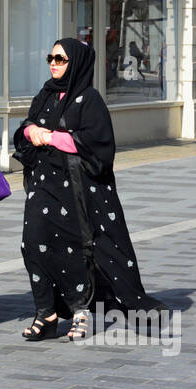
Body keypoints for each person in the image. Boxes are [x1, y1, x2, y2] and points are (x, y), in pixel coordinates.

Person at [13, 38, 167, 342]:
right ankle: (46, 313)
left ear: (77, 63)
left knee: (74, 248)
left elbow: (98, 145)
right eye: (51, 58)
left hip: (78, 190)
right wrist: (32, 131)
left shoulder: (90, 99)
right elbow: (27, 127)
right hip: (44, 185)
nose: (54, 64)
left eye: (61, 59)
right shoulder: (46, 94)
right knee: (32, 244)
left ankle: (80, 311)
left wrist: (51, 137)